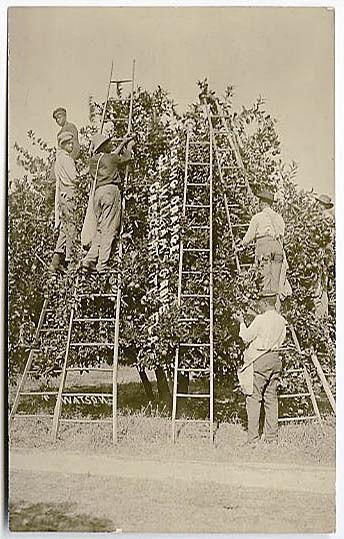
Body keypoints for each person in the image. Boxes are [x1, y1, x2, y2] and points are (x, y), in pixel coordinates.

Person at [234, 291, 287, 446]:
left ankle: (252, 439)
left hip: (260, 360)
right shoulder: (281, 320)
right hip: (275, 359)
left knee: (253, 397)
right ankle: (271, 437)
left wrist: (241, 322)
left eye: (259, 303)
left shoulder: (260, 319)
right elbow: (282, 340)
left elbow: (246, 337)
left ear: (264, 303)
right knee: (271, 397)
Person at [81, 132, 135, 273]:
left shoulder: (93, 160)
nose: (111, 145)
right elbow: (126, 158)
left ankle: (89, 259)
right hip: (110, 192)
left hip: (97, 194)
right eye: (108, 143)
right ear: (103, 147)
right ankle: (102, 264)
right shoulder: (110, 158)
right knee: (110, 228)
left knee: (100, 228)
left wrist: (122, 142)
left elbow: (111, 156)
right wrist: (129, 146)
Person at [242, 189, 291, 299]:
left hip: (264, 247)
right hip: (277, 247)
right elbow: (282, 236)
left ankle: (266, 311)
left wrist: (241, 244)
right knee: (276, 283)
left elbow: (249, 236)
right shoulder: (279, 218)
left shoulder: (257, 217)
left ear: (263, 203)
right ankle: (275, 310)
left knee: (264, 281)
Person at [49, 132, 78, 272]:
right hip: (69, 194)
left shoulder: (58, 159)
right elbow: (74, 177)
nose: (71, 146)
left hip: (62, 195)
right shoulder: (66, 159)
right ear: (64, 145)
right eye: (69, 143)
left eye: (72, 143)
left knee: (64, 228)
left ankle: (55, 262)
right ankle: (70, 260)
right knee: (71, 227)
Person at [312, 194, 335, 319]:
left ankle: (319, 316)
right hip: (326, 257)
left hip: (322, 256)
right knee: (323, 285)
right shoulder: (328, 218)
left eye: (320, 204)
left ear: (323, 206)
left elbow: (325, 241)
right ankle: (323, 315)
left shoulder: (325, 218)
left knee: (319, 286)